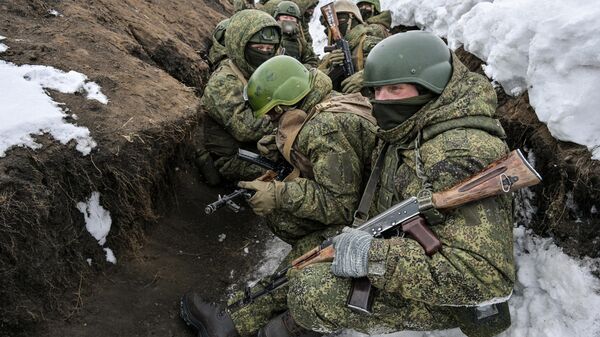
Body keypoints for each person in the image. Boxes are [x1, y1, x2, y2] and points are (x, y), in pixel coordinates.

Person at [288, 31, 515, 337]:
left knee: (312, 291)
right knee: (309, 252)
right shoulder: (412, 125)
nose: (381, 101)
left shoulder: (457, 154)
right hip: (409, 248)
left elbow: (486, 279)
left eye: (395, 89)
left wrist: (371, 257)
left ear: (429, 86)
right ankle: (243, 317)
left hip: (452, 297)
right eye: (377, 91)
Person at [180, 55, 378, 337]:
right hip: (372, 207)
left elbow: (339, 204)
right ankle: (256, 315)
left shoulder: (327, 127)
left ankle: (232, 322)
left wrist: (280, 193)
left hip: (373, 222)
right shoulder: (325, 100)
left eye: (274, 114)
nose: (272, 121)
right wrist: (282, 143)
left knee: (309, 252)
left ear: (286, 103)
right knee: (295, 231)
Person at [198, 10, 280, 184]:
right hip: (232, 158)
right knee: (290, 176)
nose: (265, 53)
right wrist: (285, 118)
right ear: (240, 46)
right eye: (259, 48)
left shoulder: (258, 73)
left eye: (269, 48)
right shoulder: (223, 82)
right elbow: (246, 129)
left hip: (258, 146)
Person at [317, 0, 384, 91]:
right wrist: (330, 66)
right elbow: (313, 83)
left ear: (353, 20)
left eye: (340, 19)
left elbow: (393, 65)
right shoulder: (331, 55)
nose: (336, 26)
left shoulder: (368, 43)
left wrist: (366, 77)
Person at [273, 1, 318, 67]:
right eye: (285, 17)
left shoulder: (300, 41)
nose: (288, 21)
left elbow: (312, 59)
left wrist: (304, 68)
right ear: (277, 19)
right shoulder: (271, 38)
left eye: (292, 18)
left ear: (297, 22)